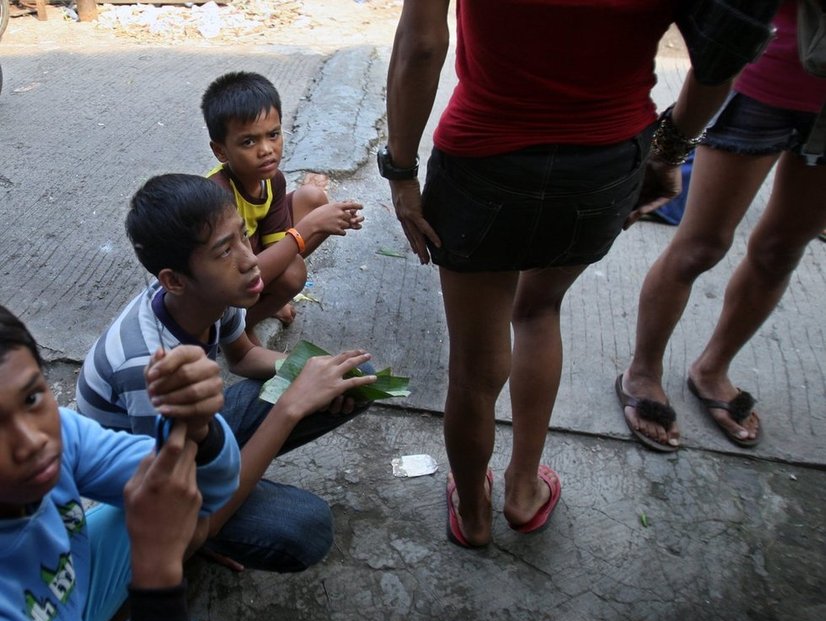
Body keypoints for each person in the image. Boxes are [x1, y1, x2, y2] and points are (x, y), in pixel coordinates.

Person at [382, 1, 779, 547]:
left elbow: (421, 44)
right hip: (603, 165)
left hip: (483, 159)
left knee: (474, 368)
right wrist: (670, 150)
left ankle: (473, 514)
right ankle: (524, 492)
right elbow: (725, 49)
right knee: (540, 310)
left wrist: (402, 174)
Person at [76, 173, 378, 573]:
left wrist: (309, 373)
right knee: (307, 528)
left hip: (191, 437)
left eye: (241, 234)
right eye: (224, 250)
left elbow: (243, 357)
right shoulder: (151, 372)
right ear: (174, 280)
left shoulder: (216, 293)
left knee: (352, 376)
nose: (250, 259)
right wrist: (291, 405)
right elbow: (183, 519)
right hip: (151, 484)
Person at [618, 0, 826, 451]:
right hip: (763, 77)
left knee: (781, 251)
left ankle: (712, 369)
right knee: (700, 246)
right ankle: (642, 371)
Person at [0, 304, 241, 621]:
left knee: (176, 507)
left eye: (31, 398)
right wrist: (156, 579)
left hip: (68, 591)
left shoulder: (63, 431)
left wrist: (200, 428)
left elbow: (200, 491)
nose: (31, 443)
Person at [201, 71, 364, 341]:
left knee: (313, 199)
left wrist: (320, 221)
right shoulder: (216, 197)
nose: (267, 149)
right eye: (248, 141)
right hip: (223, 280)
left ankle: (264, 299)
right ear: (221, 151)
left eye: (273, 134)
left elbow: (277, 244)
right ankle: (236, 330)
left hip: (253, 257)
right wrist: (309, 228)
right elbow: (230, 275)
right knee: (294, 273)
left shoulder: (272, 180)